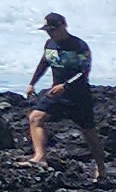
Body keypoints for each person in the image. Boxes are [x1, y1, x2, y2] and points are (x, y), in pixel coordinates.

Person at [27, 12, 102, 180]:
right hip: (56, 94)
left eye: (53, 29)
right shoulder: (50, 44)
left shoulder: (79, 46)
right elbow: (44, 63)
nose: (50, 33)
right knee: (35, 117)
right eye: (48, 30)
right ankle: (39, 157)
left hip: (78, 95)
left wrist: (65, 86)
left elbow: (84, 71)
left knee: (88, 132)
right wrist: (32, 83)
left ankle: (101, 168)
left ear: (63, 26)